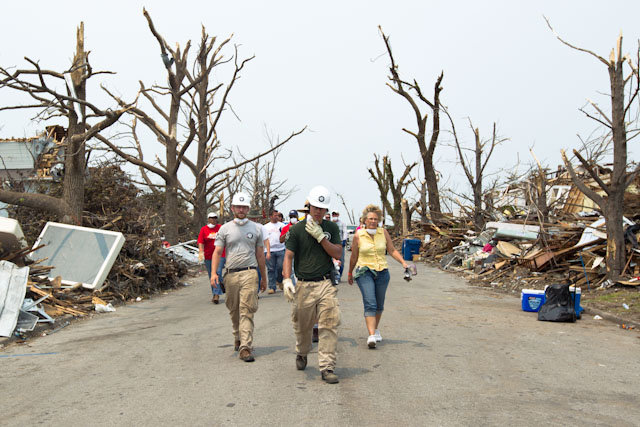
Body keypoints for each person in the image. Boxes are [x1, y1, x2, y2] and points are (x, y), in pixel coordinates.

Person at [282, 185, 343, 384]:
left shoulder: (331, 228)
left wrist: (321, 237)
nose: (318, 211)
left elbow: (337, 253)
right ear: (308, 206)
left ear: (326, 210)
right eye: (315, 207)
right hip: (304, 285)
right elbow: (289, 256)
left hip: (325, 283)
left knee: (329, 324)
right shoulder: (297, 229)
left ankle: (327, 367)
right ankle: (302, 351)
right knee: (302, 325)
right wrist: (286, 279)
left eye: (322, 208)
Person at [212, 192, 268, 362]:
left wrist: (264, 277)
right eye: (238, 207)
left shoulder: (257, 229)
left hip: (250, 273)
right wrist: (214, 273)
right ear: (232, 208)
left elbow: (260, 255)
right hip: (231, 274)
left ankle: (246, 346)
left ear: (248, 209)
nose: (241, 210)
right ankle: (238, 336)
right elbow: (218, 251)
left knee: (247, 309)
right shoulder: (225, 229)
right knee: (234, 309)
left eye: (244, 207)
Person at [348, 204, 409, 349]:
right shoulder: (358, 235)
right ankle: (371, 336)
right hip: (364, 272)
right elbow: (354, 256)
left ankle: (375, 329)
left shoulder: (383, 233)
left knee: (379, 305)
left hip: (382, 272)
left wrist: (403, 263)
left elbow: (392, 250)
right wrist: (350, 273)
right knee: (370, 303)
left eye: (376, 219)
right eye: (370, 219)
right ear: (364, 220)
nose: (373, 221)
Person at [197, 212, 223, 304]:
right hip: (209, 255)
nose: (213, 219)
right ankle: (215, 293)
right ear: (208, 219)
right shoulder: (204, 229)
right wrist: (201, 252)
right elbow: (201, 241)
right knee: (211, 275)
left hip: (220, 255)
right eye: (211, 218)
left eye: (215, 218)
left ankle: (216, 294)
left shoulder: (220, 228)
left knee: (218, 272)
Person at [264, 209, 285, 294]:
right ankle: (272, 287)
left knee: (280, 267)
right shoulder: (266, 227)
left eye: (277, 216)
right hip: (270, 250)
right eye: (275, 215)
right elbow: (266, 240)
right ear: (270, 216)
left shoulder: (282, 225)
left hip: (281, 249)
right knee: (271, 269)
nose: (277, 217)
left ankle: (279, 280)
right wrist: (268, 252)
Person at [331, 211, 348, 280]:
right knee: (332, 260)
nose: (334, 215)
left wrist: (344, 240)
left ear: (338, 215)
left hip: (340, 243)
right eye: (333, 214)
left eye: (336, 214)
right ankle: (333, 275)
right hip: (331, 244)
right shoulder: (330, 223)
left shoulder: (342, 223)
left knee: (341, 261)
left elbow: (345, 232)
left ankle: (339, 275)